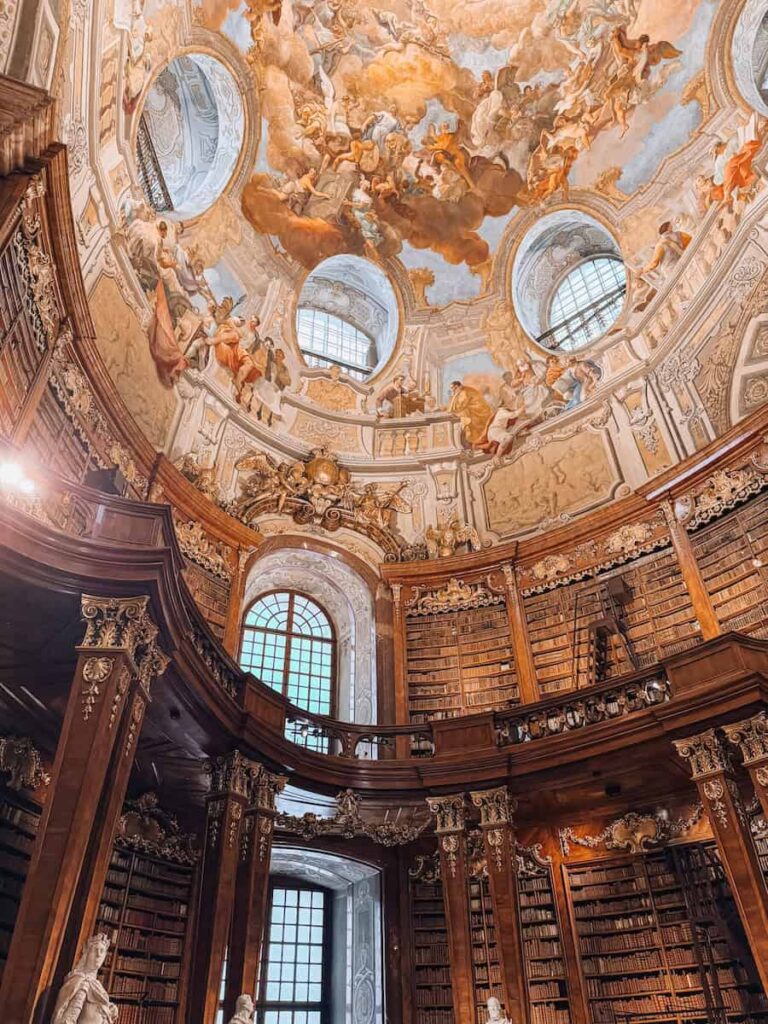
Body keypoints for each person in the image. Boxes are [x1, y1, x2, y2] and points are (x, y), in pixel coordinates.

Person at [52, 933, 118, 1024]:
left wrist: (109, 1009)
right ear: (87, 953)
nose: (98, 955)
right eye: (95, 950)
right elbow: (69, 1019)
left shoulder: (97, 985)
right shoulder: (82, 983)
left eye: (102, 951)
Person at [447, 380, 494, 449]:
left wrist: (454, 397)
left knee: (467, 421)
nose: (453, 390)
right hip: (475, 410)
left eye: (453, 388)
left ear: (457, 386)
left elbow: (461, 406)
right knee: (464, 416)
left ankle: (473, 443)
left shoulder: (464, 392)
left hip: (479, 411)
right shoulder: (463, 390)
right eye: (452, 388)